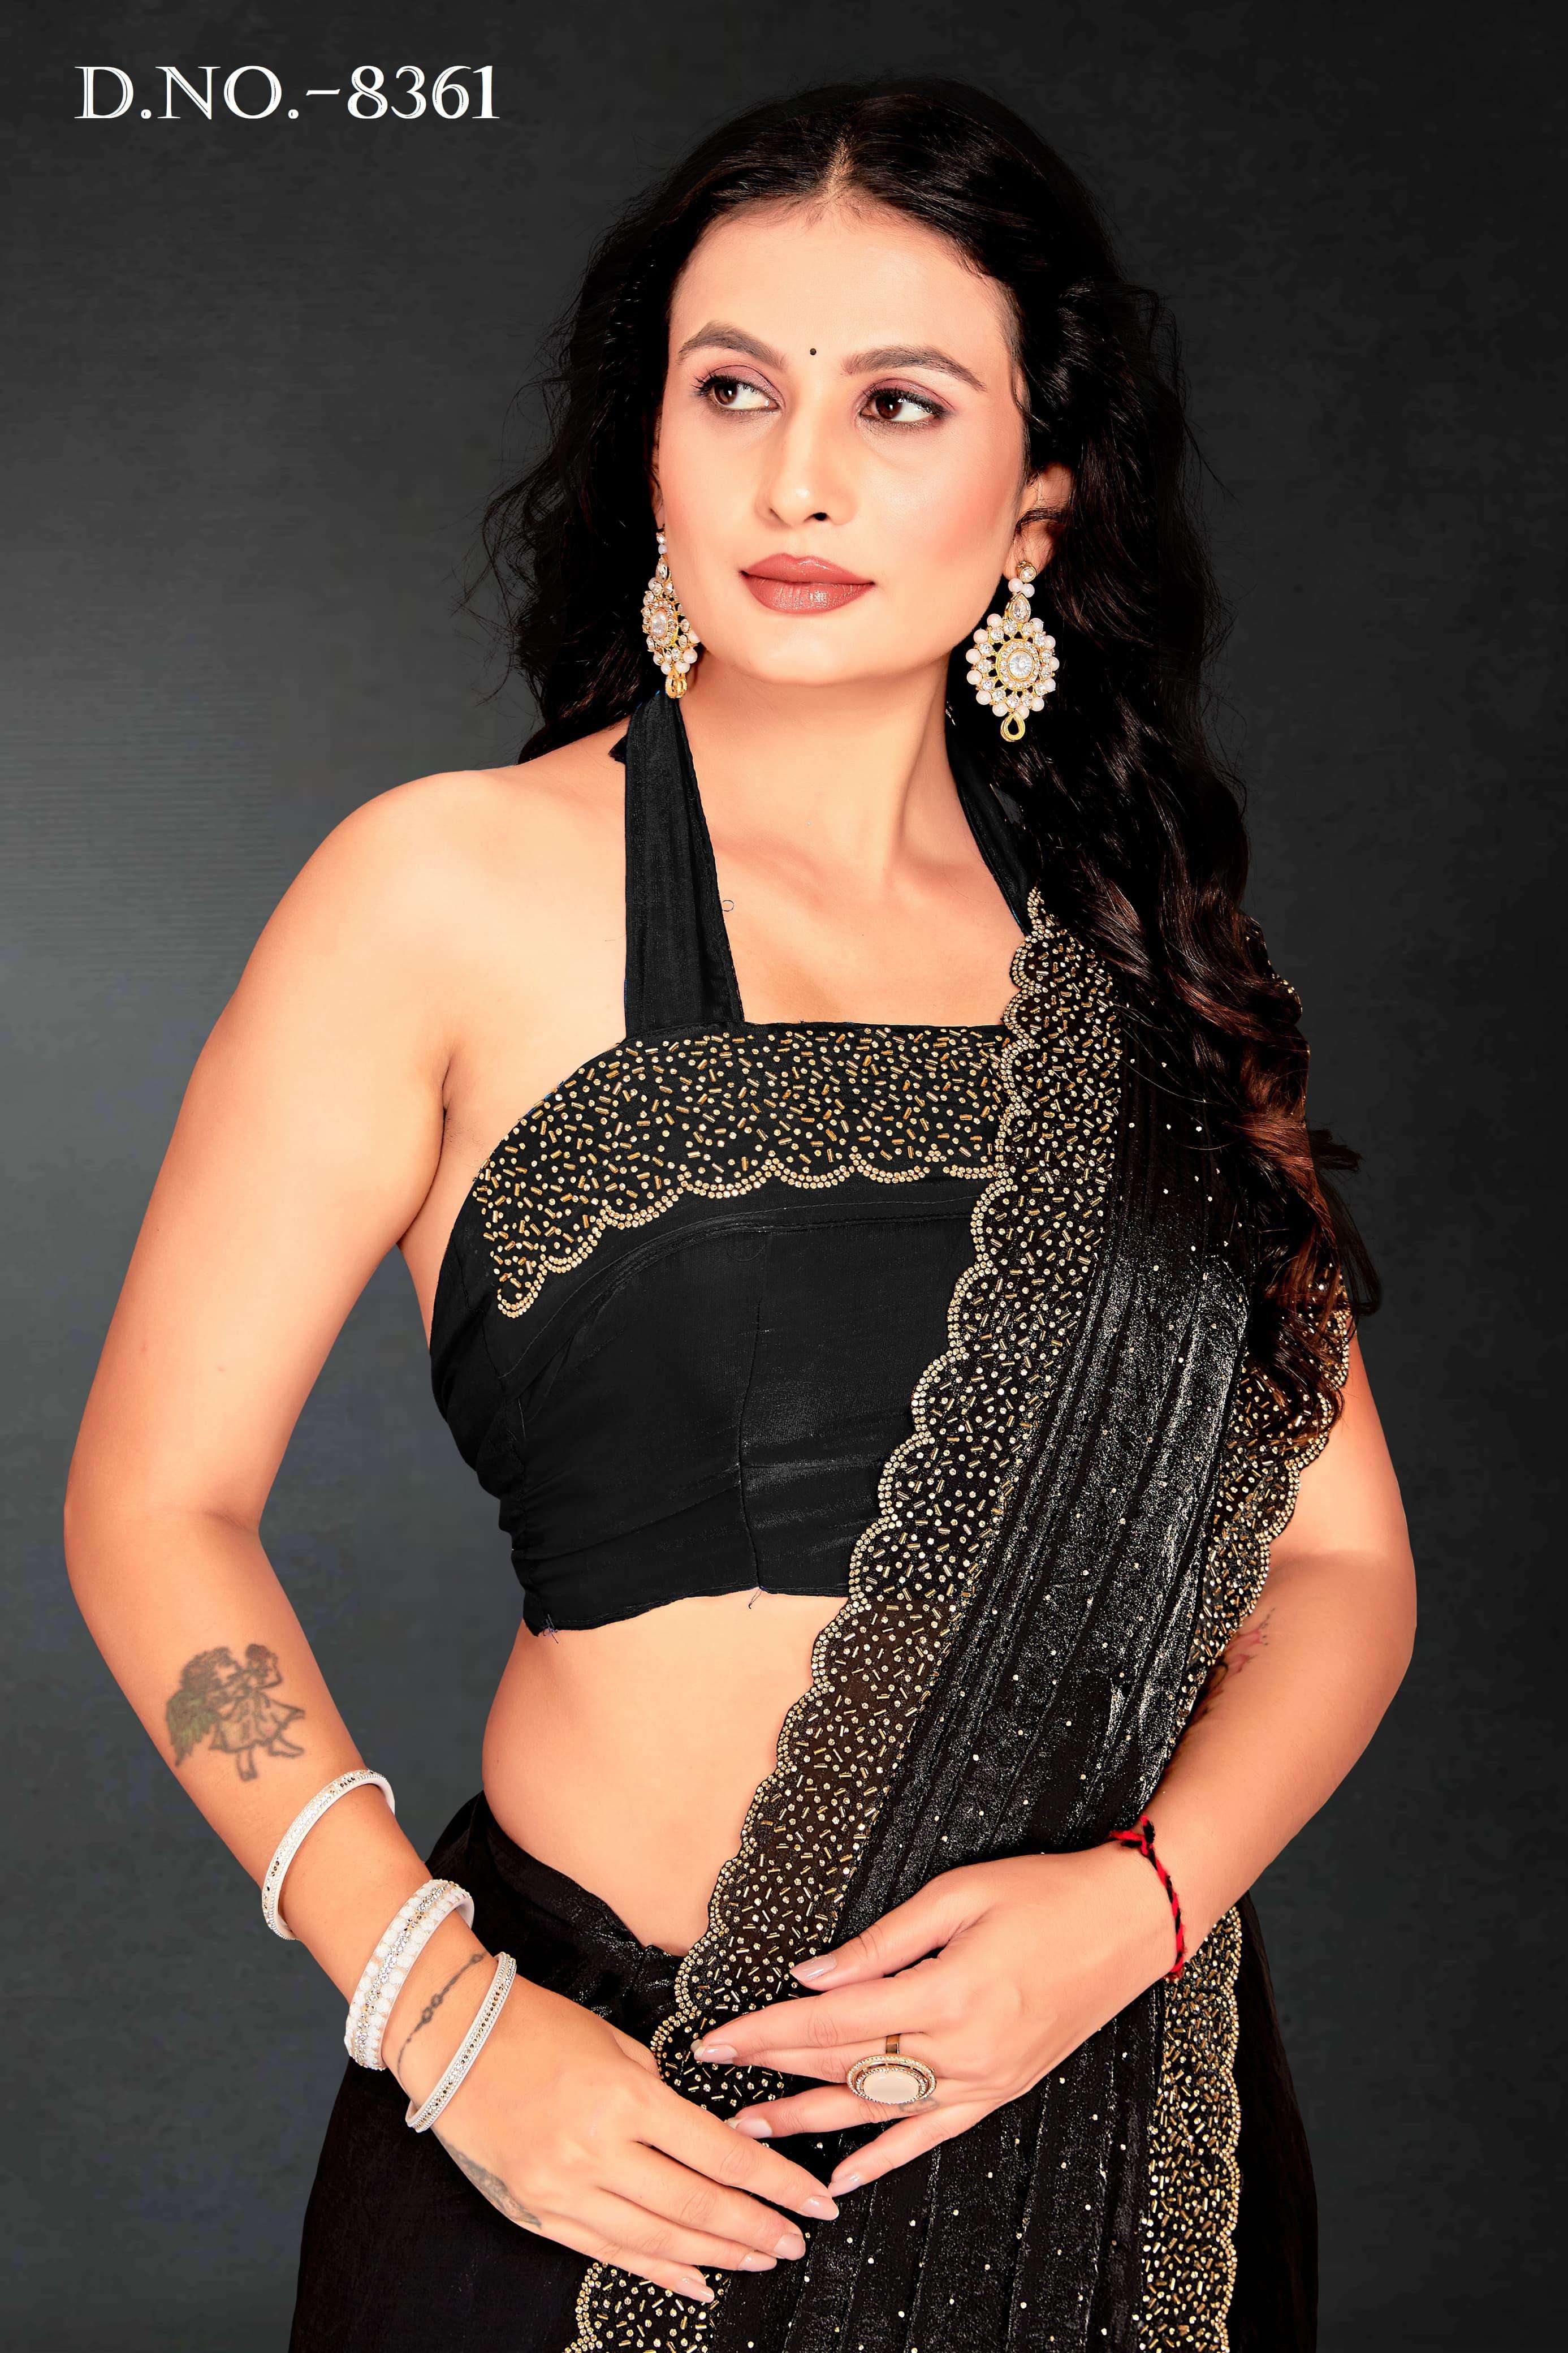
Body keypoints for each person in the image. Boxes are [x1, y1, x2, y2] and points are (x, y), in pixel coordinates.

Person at [62, 74, 1415, 2353]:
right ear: (654, 452)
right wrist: (438, 2011)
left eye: (900, 402)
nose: (799, 477)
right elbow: (152, 1504)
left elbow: (1342, 1559)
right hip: (586, 2124)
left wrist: (1142, 1907)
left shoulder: (1150, 958)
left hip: (1117, 2123)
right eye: (734, 389)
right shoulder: (444, 891)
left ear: (1040, 498)